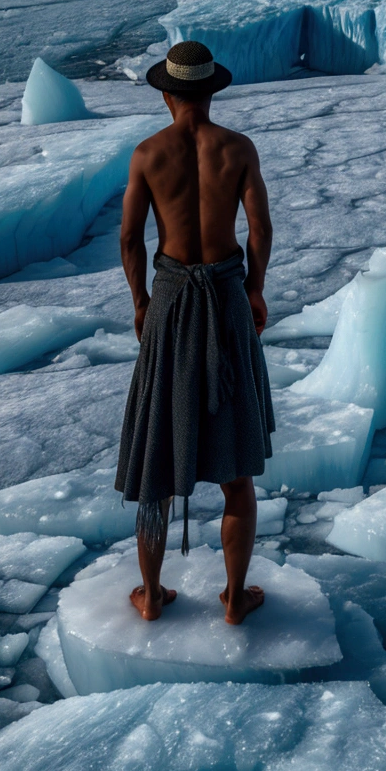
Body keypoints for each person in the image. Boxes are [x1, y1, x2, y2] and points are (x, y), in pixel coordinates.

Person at [115, 40, 275, 626]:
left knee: (158, 447)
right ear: (209, 92)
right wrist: (254, 288)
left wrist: (140, 304)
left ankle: (152, 596)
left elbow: (131, 238)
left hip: (173, 299)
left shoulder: (148, 153)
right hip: (228, 298)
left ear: (166, 93)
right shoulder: (237, 148)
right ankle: (234, 599)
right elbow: (259, 228)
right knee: (236, 466)